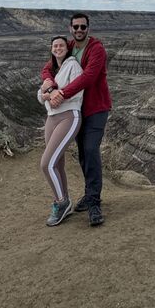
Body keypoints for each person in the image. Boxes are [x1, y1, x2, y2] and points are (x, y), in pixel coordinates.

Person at [41, 13, 112, 227]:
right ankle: (88, 195)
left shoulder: (96, 49)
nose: (79, 30)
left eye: (83, 27)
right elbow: (48, 67)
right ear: (71, 28)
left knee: (90, 151)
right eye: (76, 27)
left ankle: (94, 202)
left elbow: (88, 77)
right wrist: (51, 87)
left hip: (96, 108)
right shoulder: (70, 46)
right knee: (83, 154)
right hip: (78, 108)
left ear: (88, 28)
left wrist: (60, 94)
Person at [37, 35, 84, 227]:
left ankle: (61, 202)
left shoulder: (73, 66)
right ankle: (66, 201)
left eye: (61, 45)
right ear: (51, 49)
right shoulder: (51, 70)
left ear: (67, 48)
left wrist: (56, 95)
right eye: (55, 46)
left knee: (46, 164)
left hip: (68, 116)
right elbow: (40, 95)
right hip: (51, 118)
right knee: (57, 163)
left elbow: (79, 90)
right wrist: (48, 95)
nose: (58, 48)